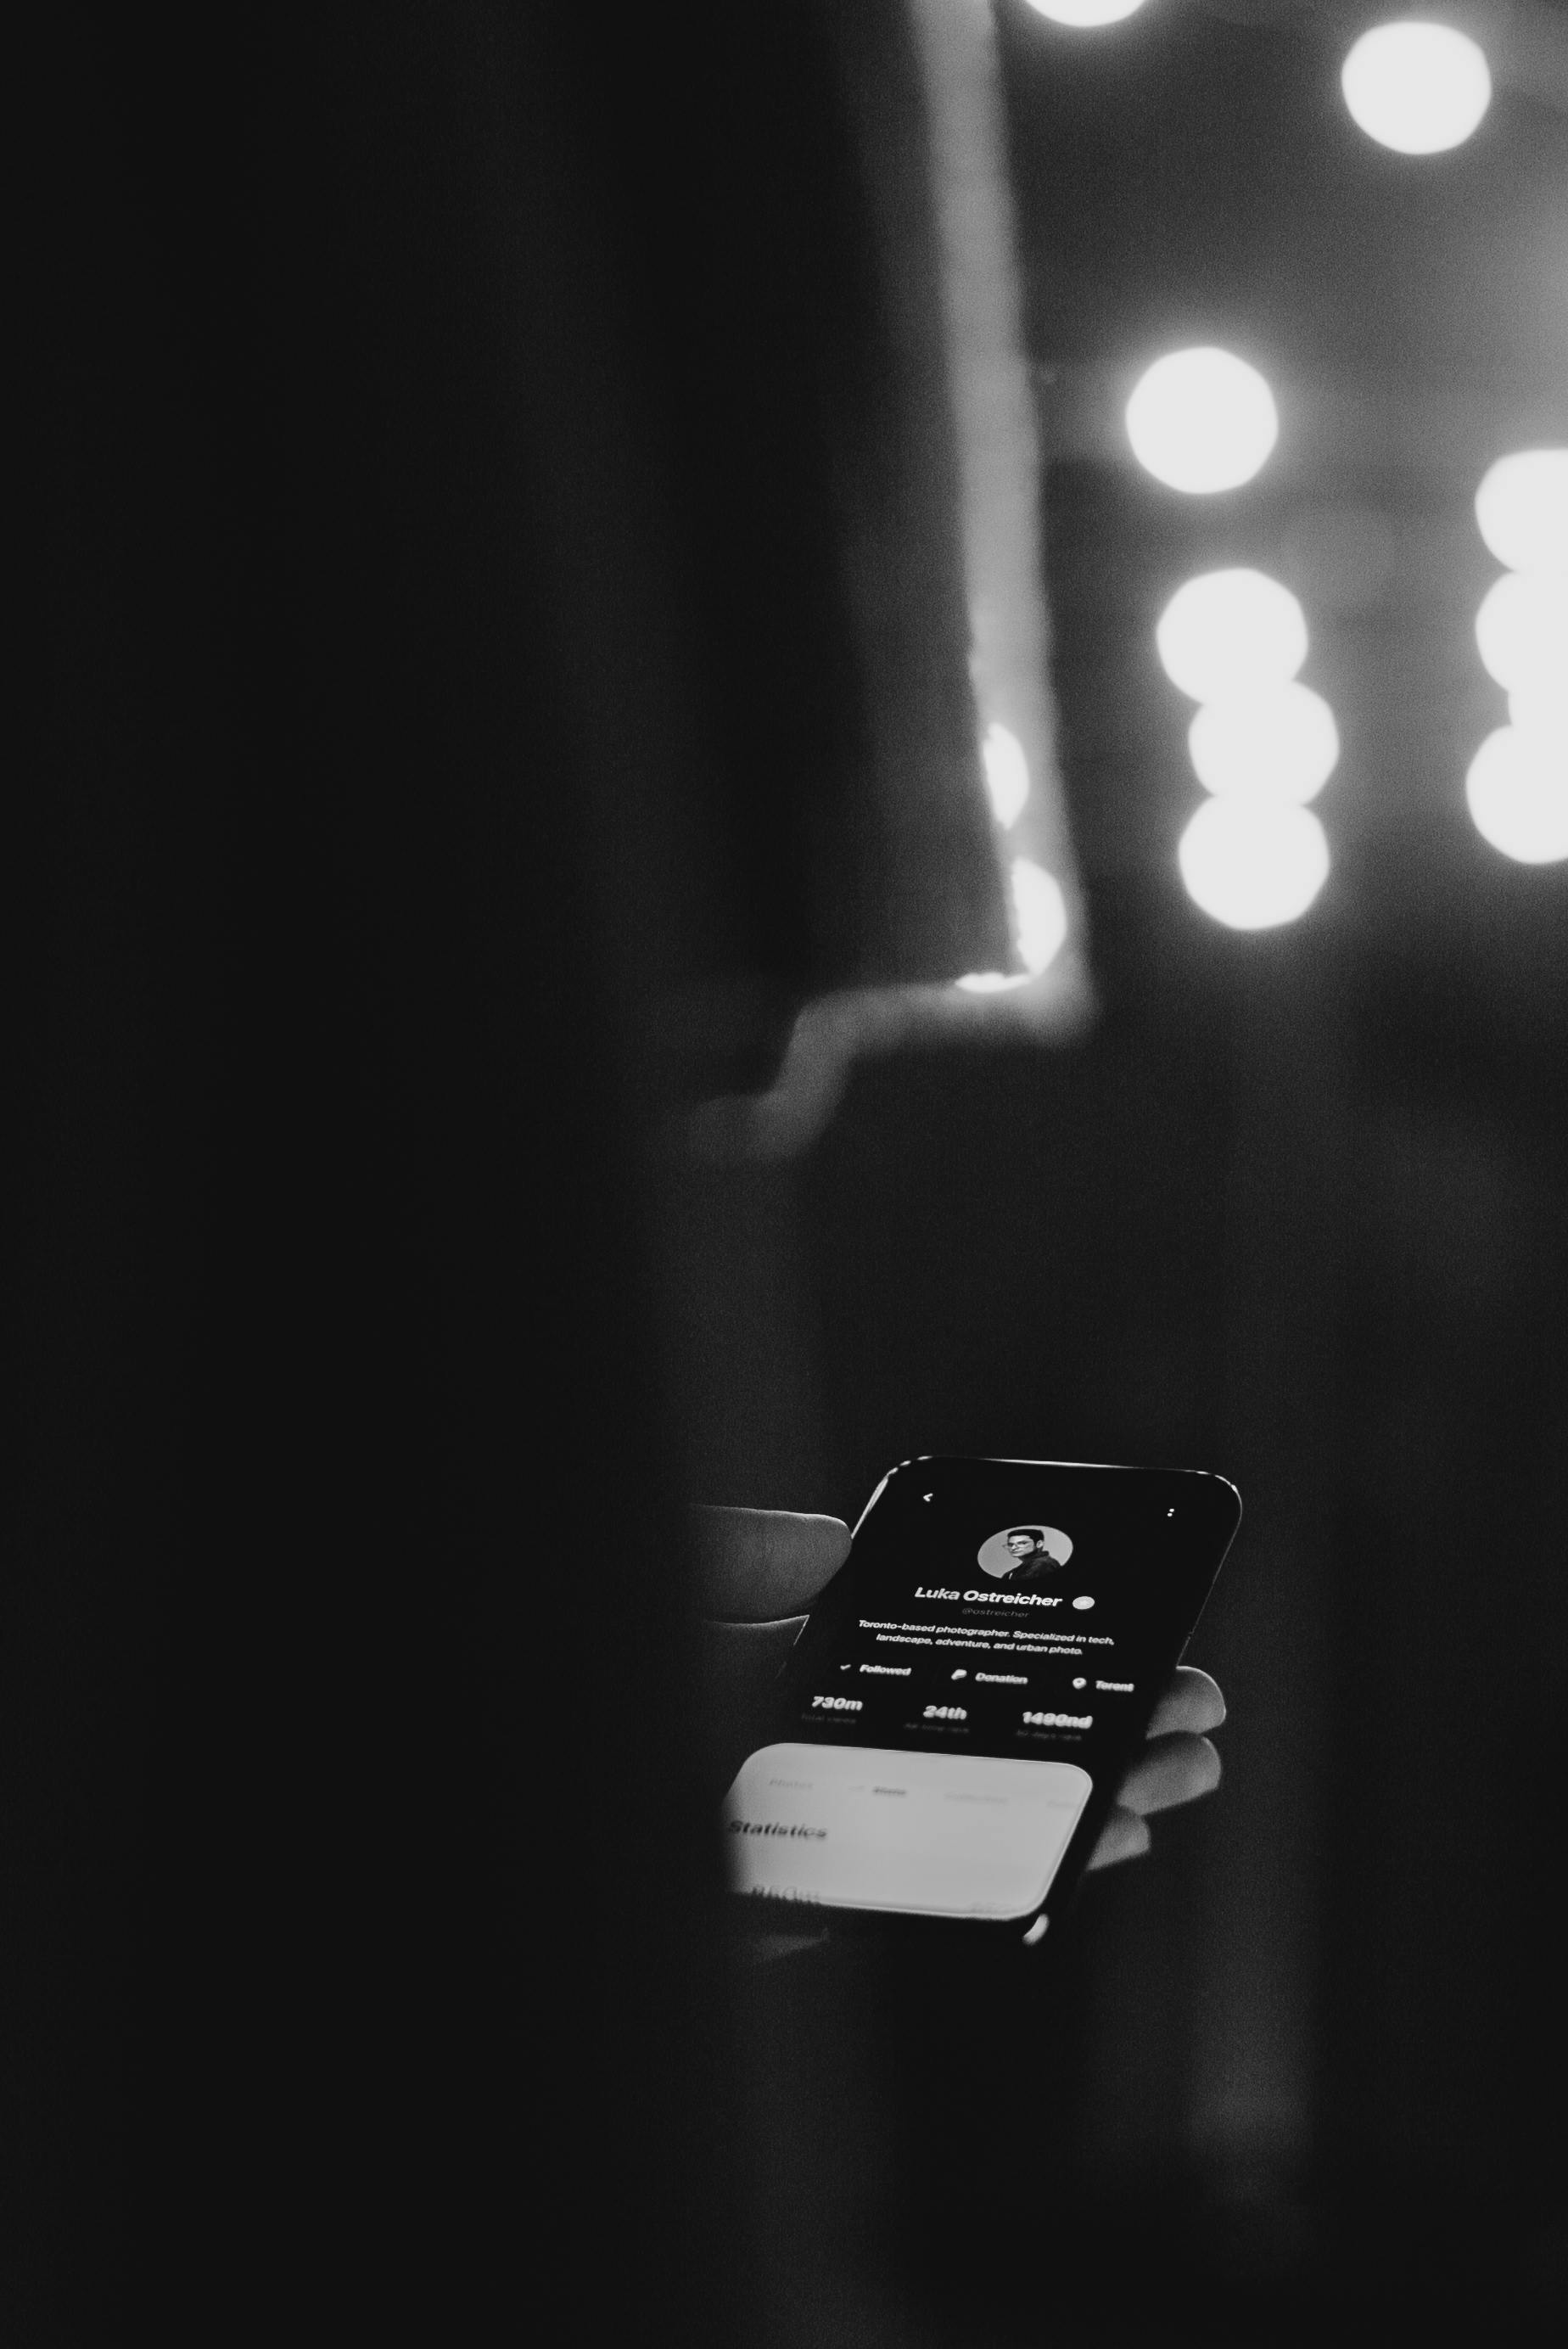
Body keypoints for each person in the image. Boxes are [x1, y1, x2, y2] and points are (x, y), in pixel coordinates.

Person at [696, 1505, 1224, 1877]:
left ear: (1038, 1547)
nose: (1016, 1547)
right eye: (1011, 1543)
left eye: (1023, 1543)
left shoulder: (1042, 1574)